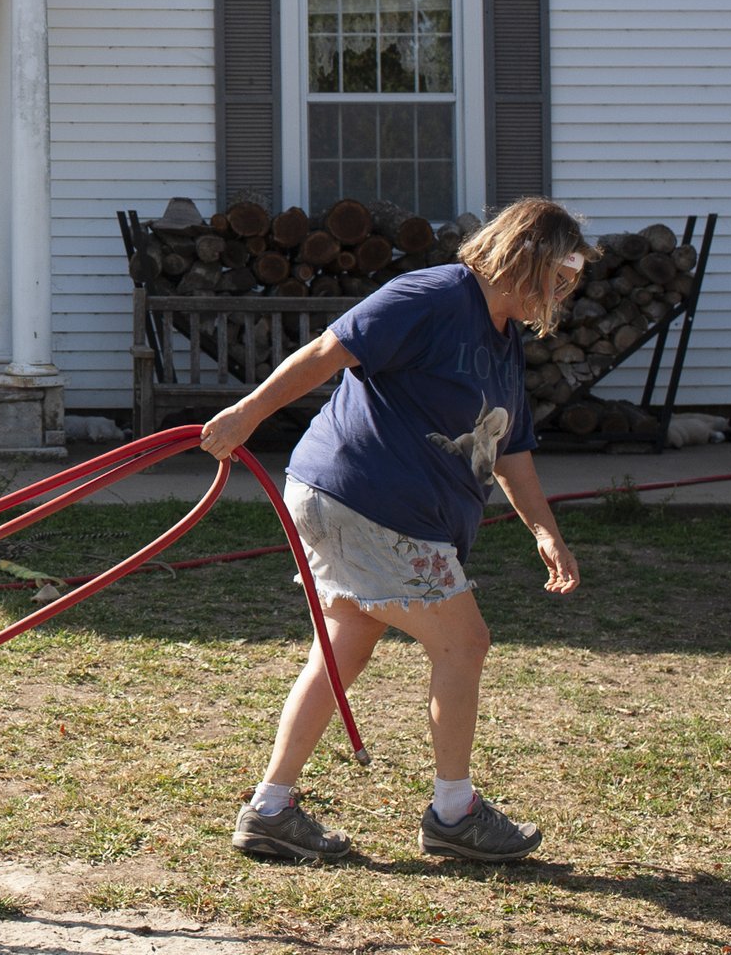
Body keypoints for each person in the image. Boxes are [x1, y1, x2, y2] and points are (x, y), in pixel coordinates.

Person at [198, 197, 588, 865]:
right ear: (526, 257)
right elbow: (329, 351)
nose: (562, 294)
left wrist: (544, 531)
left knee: (347, 640)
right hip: (367, 502)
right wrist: (246, 414)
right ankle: (454, 813)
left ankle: (270, 809)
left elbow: (510, 448)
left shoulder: (502, 341)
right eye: (559, 277)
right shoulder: (433, 296)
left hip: (368, 507)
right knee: (464, 643)